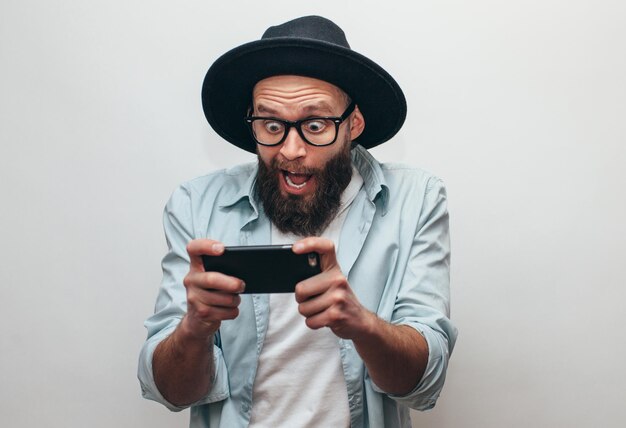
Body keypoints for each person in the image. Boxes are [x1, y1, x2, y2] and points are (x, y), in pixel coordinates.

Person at [138, 15, 457, 428]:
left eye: (314, 125)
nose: (291, 150)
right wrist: (194, 328)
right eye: (271, 124)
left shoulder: (415, 200)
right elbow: (172, 393)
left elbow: (423, 382)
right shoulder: (196, 205)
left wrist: (361, 324)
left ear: (353, 124)